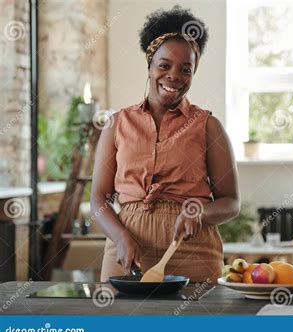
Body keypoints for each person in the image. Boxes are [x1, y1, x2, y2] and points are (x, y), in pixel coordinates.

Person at [91, 6, 239, 283]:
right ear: (149, 67)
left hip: (192, 251)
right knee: (119, 325)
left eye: (186, 69)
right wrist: (121, 237)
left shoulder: (208, 126)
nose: (174, 76)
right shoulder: (116, 124)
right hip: (128, 250)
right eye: (164, 65)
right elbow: (98, 198)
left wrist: (200, 212)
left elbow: (231, 202)